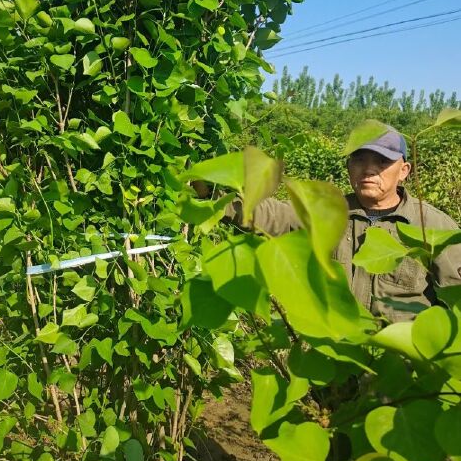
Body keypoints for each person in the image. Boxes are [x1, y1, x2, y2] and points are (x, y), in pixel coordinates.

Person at [195, 128, 461, 323]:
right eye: (359, 160)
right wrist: (210, 193)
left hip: (402, 372)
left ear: (404, 170)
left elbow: (456, 297)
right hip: (336, 358)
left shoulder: (433, 226)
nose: (368, 170)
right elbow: (271, 214)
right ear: (348, 167)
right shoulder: (329, 212)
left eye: (382, 162)